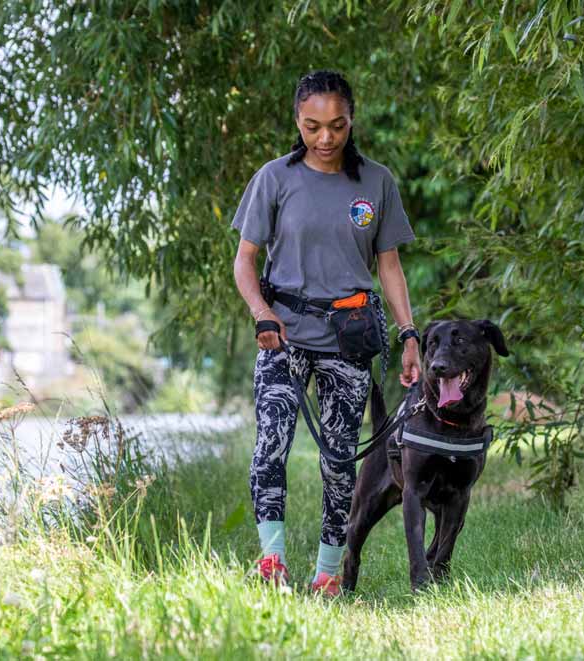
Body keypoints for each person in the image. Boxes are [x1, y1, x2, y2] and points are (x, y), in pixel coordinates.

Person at [231, 70, 421, 596]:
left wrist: (409, 334)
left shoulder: (376, 182)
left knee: (339, 462)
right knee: (270, 447)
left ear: (351, 120)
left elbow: (389, 267)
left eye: (337, 125)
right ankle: (272, 562)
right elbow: (245, 261)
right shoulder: (274, 178)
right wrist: (261, 312)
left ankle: (328, 575)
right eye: (313, 126)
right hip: (283, 336)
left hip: (348, 337)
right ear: (298, 121)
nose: (325, 137)